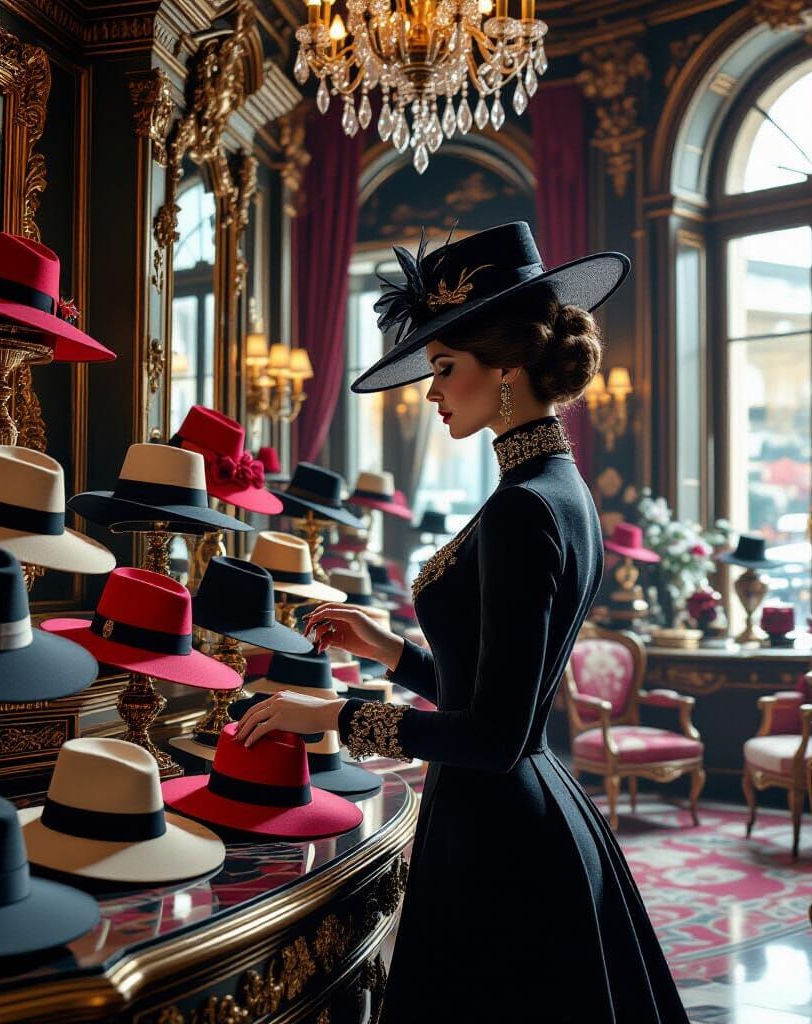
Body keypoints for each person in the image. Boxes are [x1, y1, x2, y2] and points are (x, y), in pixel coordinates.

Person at [237, 222, 688, 1023]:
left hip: (500, 834)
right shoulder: (560, 487)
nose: (433, 391)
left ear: (507, 370)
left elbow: (494, 734)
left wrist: (333, 714)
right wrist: (391, 650)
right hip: (520, 809)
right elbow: (496, 682)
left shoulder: (523, 508)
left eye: (445, 369)